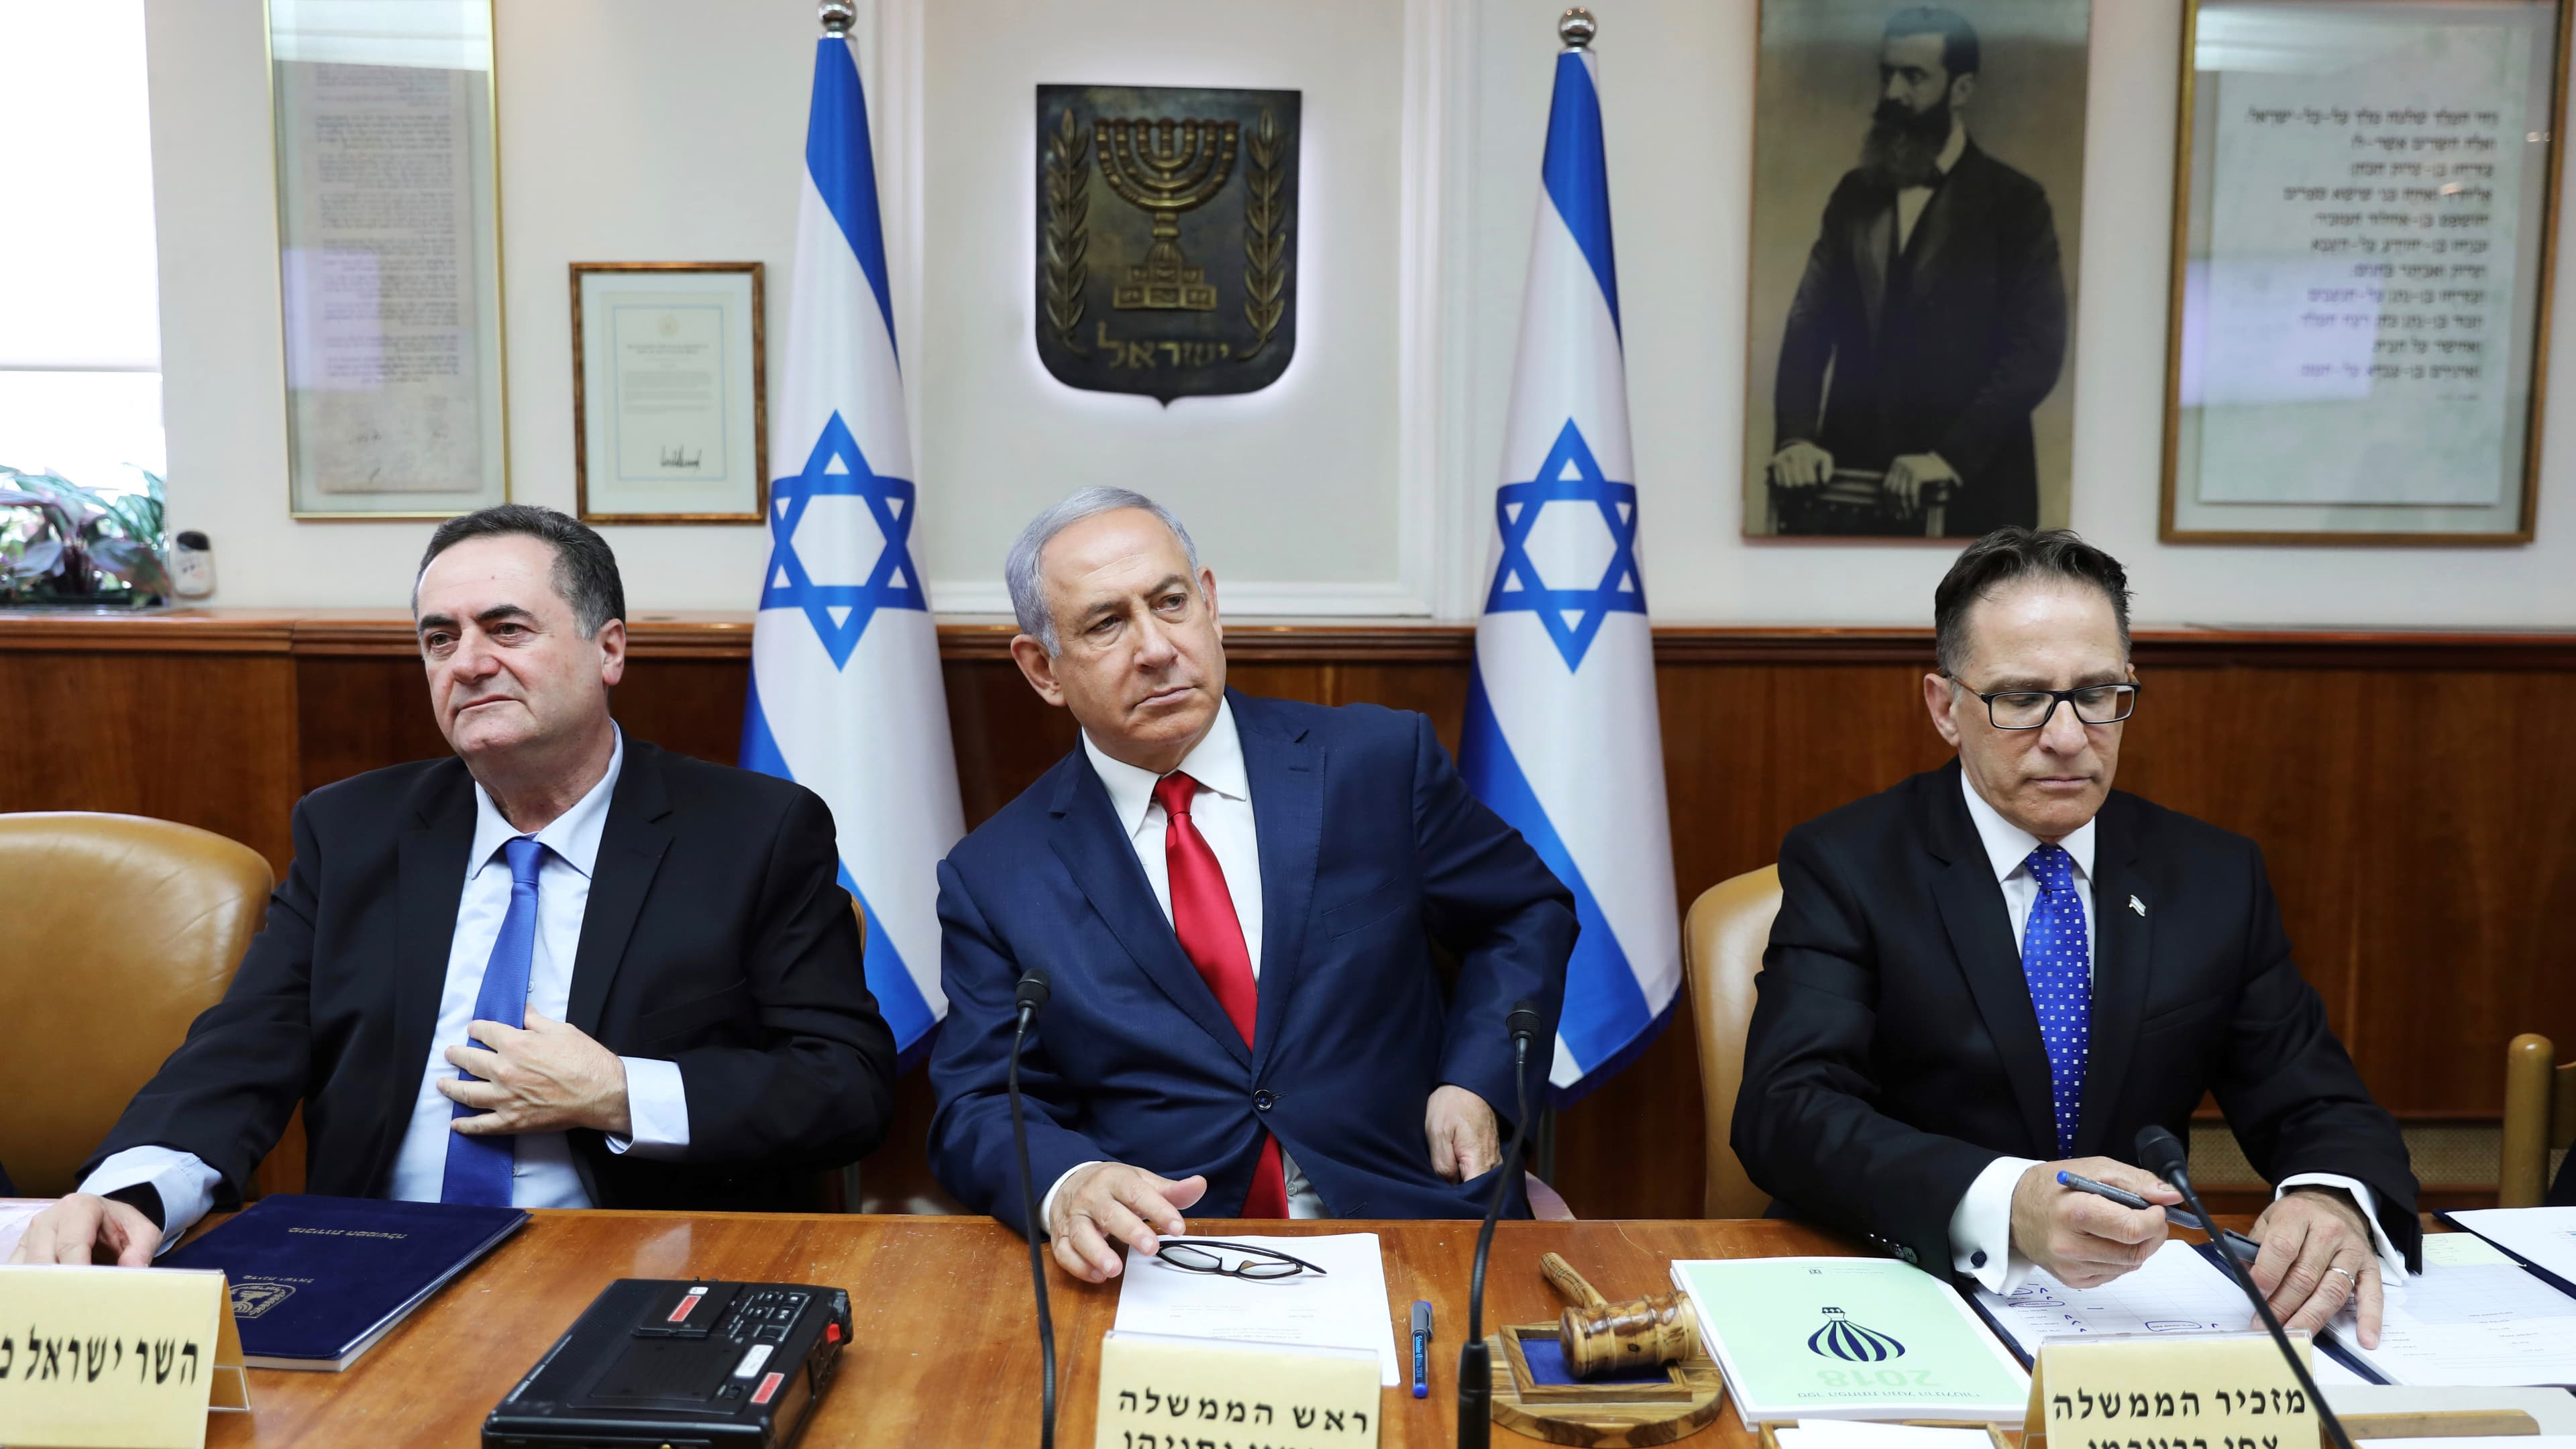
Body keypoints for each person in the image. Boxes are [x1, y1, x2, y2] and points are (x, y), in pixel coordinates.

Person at [13, 505, 896, 1266]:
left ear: (609, 650)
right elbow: (242, 1053)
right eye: (441, 638)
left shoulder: (752, 833)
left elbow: (845, 1087)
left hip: (641, 1266)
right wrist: (132, 1194)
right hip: (371, 1263)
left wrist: (622, 1092)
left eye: (506, 629)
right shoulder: (354, 833)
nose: (467, 662)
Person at [1733, 528, 2418, 1348]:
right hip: (1894, 1288)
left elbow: (2319, 1103)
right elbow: (1788, 1110)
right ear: (1945, 708)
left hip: (2134, 1320)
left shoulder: (2210, 876)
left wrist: (2331, 1199)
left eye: (2097, 694)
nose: (2067, 737)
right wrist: (2006, 1201)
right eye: (2022, 698)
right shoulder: (1849, 863)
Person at [927, 488, 1574, 1282]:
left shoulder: (1376, 763)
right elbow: (983, 1102)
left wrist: (1474, 1082)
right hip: (1166, 1261)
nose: (1157, 647)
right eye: (1106, 623)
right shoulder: (996, 874)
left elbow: (1523, 912)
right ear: (1042, 669)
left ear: (1210, 605)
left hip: (1409, 1222)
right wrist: (1072, 1183)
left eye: (1170, 604)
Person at [1767, 5, 2068, 537]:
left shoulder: (2016, 203)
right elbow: (1809, 326)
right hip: (1851, 488)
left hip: (1976, 494)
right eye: (1887, 74)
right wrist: (1796, 439)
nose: (1893, 94)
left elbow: (2037, 350)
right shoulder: (1853, 196)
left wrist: (1948, 457)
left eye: (1914, 76)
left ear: (1962, 89)